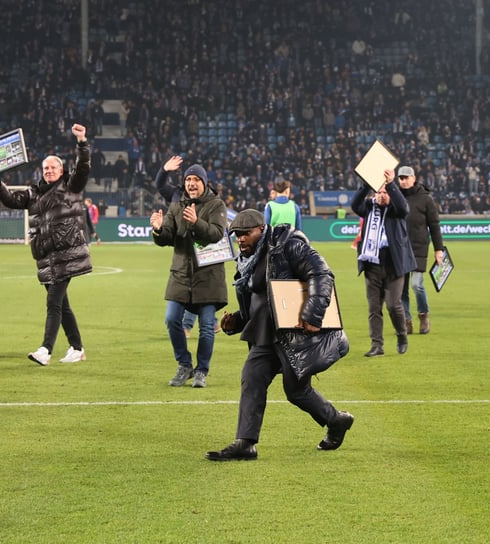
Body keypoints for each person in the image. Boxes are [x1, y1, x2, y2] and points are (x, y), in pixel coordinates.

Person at [206, 209, 353, 461]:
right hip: (265, 335)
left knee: (296, 391)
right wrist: (237, 321)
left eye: (246, 233)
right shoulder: (246, 260)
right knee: (252, 377)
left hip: (294, 336)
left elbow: (321, 274)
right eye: (237, 235)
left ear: (261, 230)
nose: (240, 239)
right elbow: (259, 300)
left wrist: (313, 314)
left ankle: (336, 420)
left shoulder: (289, 245)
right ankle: (245, 443)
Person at [0, 123, 91, 365]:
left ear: (61, 170)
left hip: (66, 255)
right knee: (62, 305)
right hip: (45, 257)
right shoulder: (33, 193)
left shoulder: (70, 186)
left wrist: (82, 142)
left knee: (53, 303)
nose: (49, 170)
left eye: (53, 167)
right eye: (46, 168)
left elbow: (83, 167)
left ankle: (46, 350)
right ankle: (77, 348)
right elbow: (12, 200)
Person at [150, 160, 228, 388]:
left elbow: (216, 233)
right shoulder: (177, 204)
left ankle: (201, 370)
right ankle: (184, 364)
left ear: (204, 183)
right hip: (181, 273)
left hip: (208, 276)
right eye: (188, 180)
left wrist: (196, 222)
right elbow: (168, 237)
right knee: (171, 319)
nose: (191, 183)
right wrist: (158, 229)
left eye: (195, 180)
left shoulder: (216, 205)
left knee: (206, 327)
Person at [351, 168, 416, 356]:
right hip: (372, 265)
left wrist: (391, 184)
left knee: (393, 305)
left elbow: (404, 207)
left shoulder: (396, 210)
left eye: (384, 192)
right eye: (378, 192)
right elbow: (355, 205)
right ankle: (377, 345)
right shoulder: (369, 207)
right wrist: (366, 185)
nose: (381, 195)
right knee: (374, 308)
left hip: (394, 265)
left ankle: (402, 335)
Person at [397, 166, 445, 334]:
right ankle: (406, 321)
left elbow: (434, 225)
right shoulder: (395, 197)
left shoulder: (426, 199)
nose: (403, 181)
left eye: (406, 178)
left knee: (417, 285)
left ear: (413, 178)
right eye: (400, 178)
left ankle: (423, 315)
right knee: (401, 289)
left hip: (419, 247)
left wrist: (438, 249)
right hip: (400, 248)